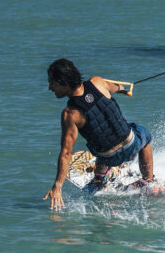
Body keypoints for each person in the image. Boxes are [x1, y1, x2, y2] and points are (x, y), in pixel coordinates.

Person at [43, 58, 154, 211]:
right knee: (144, 136)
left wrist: (57, 186)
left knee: (97, 141)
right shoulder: (97, 82)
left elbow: (66, 153)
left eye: (52, 83)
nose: (50, 88)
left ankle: (100, 176)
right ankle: (148, 180)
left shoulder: (70, 114)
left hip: (108, 157)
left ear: (64, 83)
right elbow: (116, 87)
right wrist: (123, 89)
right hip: (131, 146)